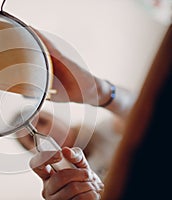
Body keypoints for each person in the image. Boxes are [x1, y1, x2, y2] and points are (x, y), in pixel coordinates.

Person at [23, 24, 171, 200]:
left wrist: (97, 91)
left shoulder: (103, 130)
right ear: (35, 154)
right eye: (32, 138)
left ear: (59, 119)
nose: (45, 133)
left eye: (43, 122)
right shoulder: (74, 186)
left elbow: (143, 114)